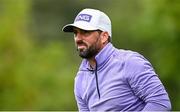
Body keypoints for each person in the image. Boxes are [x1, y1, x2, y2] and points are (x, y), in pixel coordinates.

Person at [62, 8, 171, 111]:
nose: (78, 38)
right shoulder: (80, 79)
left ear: (104, 36)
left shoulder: (130, 62)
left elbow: (160, 103)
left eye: (85, 32)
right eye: (76, 33)